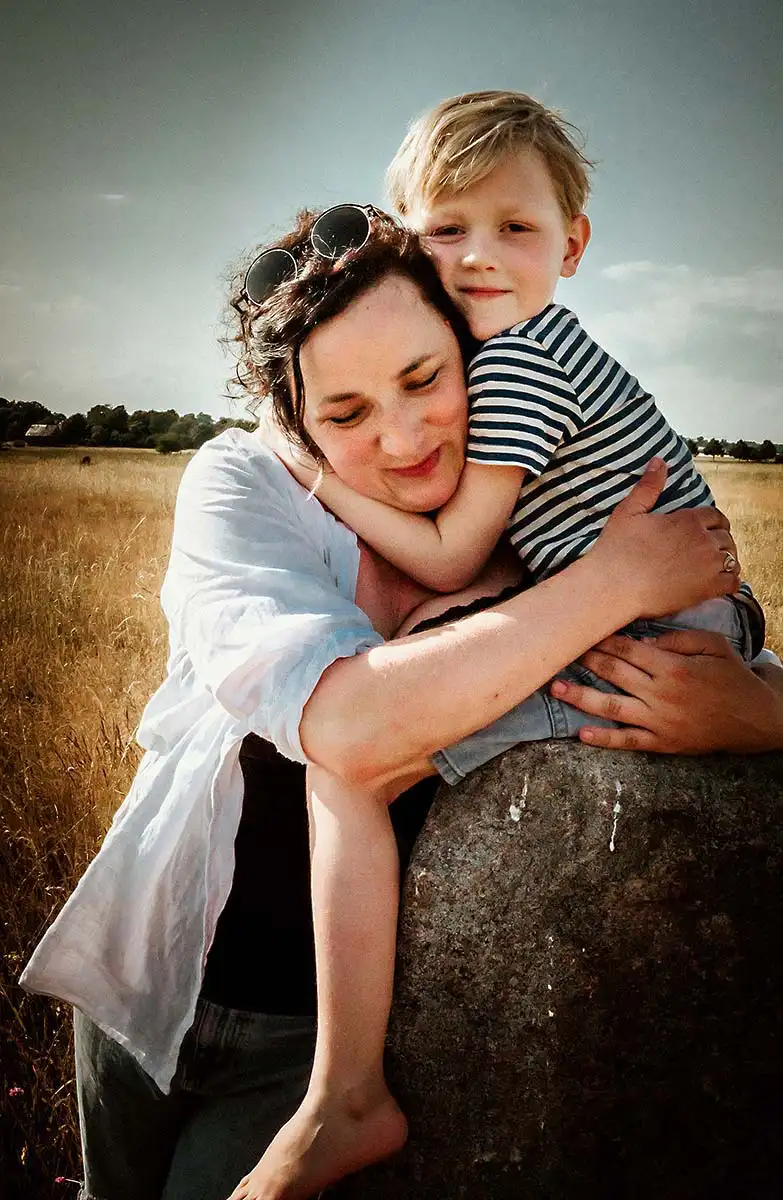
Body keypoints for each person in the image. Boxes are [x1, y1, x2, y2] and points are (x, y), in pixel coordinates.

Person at [19, 209, 782, 1200]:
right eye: (345, 414)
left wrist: (760, 714)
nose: (404, 435)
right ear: (295, 421)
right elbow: (346, 728)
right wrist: (607, 588)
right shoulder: (245, 486)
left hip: (310, 1033)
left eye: (427, 379)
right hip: (153, 975)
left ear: (474, 352)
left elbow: (714, 634)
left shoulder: (540, 519)